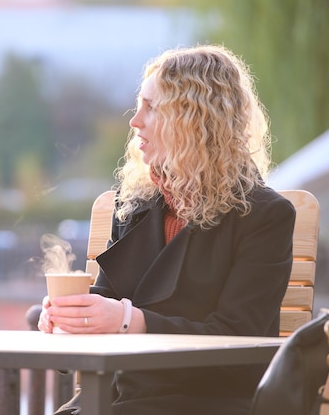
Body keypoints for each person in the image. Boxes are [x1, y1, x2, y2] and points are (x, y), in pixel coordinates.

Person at [38, 44, 296, 415]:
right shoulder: (135, 205)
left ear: (194, 119)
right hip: (114, 399)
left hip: (207, 401)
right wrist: (70, 317)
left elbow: (238, 338)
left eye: (151, 107)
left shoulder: (263, 215)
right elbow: (109, 298)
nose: (134, 121)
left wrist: (129, 321)